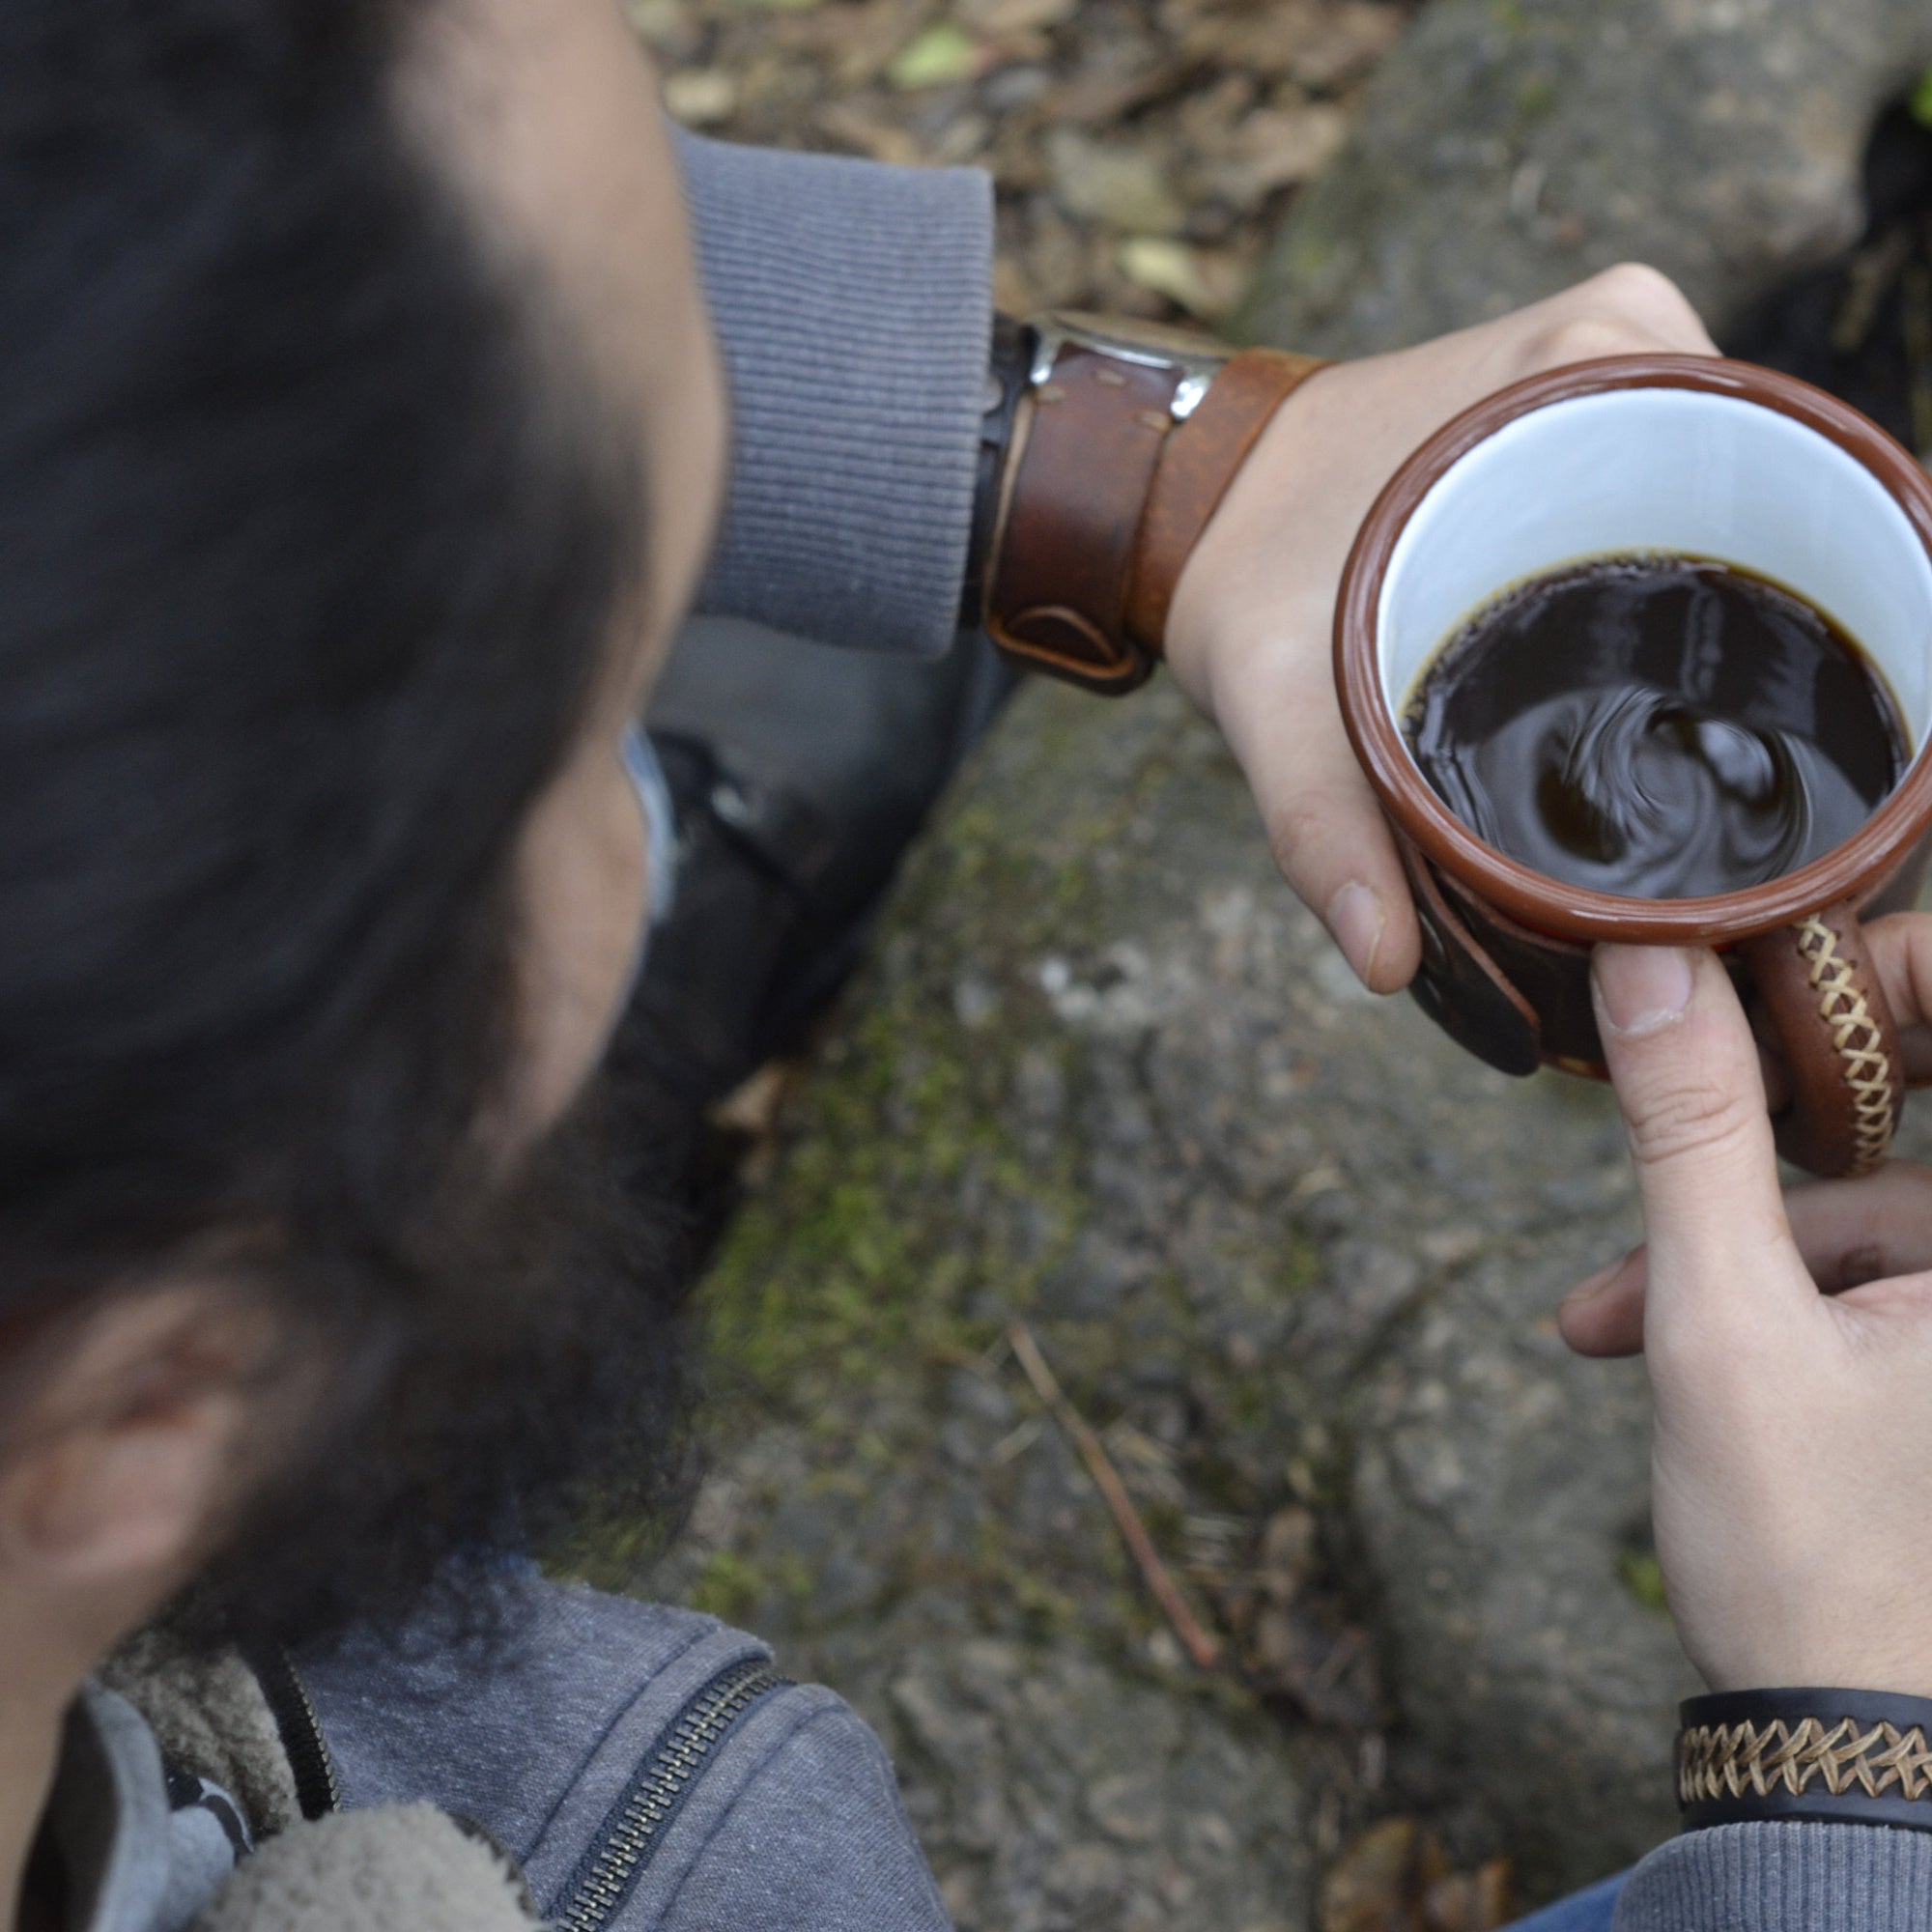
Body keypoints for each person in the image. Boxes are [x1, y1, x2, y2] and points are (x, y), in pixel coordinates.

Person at [0, 1, 1899, 1929]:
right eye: (596, 737)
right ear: (171, 1391)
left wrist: (1125, 468)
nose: (646, 763)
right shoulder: (720, 1872)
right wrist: (1851, 1779)